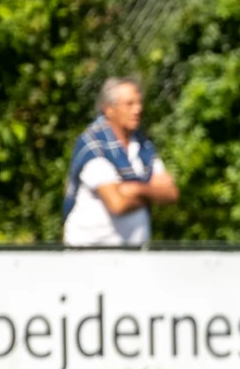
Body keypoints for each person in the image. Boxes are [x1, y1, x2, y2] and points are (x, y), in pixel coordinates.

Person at [63, 77, 178, 248]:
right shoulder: (94, 146)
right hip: (90, 256)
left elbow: (171, 194)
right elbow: (117, 204)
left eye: (139, 103)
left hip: (134, 254)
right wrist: (151, 194)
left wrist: (136, 189)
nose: (138, 109)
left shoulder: (142, 146)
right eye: (129, 104)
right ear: (109, 109)